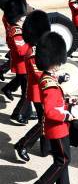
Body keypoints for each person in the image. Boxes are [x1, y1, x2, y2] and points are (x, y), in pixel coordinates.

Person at [26, 32, 78, 184]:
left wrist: (67, 100)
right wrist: (67, 114)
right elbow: (51, 112)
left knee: (62, 160)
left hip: (58, 128)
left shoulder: (48, 77)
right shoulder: (49, 84)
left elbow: (56, 101)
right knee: (62, 161)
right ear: (53, 62)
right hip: (57, 129)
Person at [14, 10, 52, 161]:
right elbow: (38, 74)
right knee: (44, 121)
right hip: (38, 92)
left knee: (44, 120)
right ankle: (23, 144)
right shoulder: (33, 51)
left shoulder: (38, 47)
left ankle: (46, 148)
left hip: (41, 90)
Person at [2, 0, 32, 123]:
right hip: (22, 65)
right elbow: (21, 51)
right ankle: (18, 114)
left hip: (23, 64)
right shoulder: (16, 31)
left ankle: (26, 112)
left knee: (26, 88)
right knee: (27, 92)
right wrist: (32, 44)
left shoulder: (15, 27)